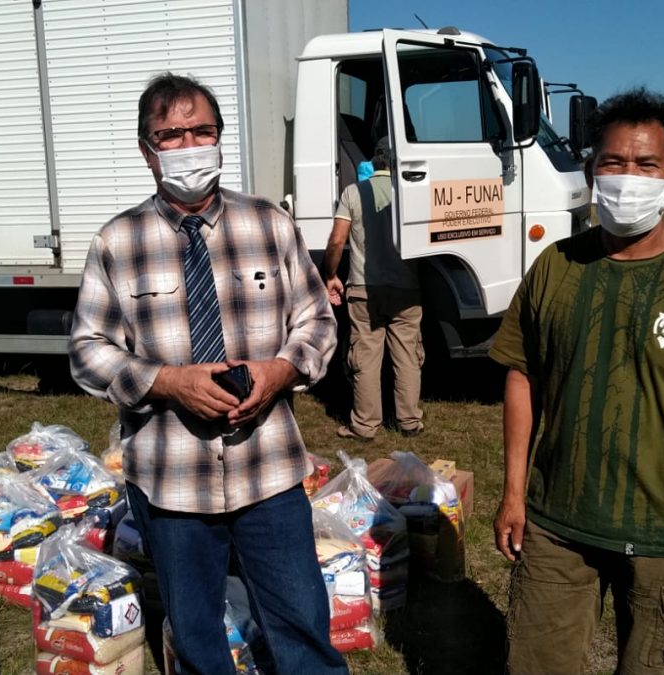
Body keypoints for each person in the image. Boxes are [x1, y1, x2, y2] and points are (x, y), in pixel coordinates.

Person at [489, 88, 664, 674]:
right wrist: (514, 492)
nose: (627, 178)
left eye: (646, 165)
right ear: (592, 168)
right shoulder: (557, 267)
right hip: (555, 526)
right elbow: (523, 374)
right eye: (612, 162)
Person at [69, 72, 346, 674]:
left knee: (302, 626)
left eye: (202, 131)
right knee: (195, 638)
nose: (189, 145)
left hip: (268, 472)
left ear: (221, 139)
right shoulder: (117, 242)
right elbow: (88, 350)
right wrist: (168, 382)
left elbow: (318, 322)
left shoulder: (269, 224)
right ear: (147, 152)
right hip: (172, 482)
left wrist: (279, 372)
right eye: (169, 135)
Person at [323, 136, 424, 441]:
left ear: (375, 161)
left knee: (365, 358)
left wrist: (330, 275)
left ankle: (365, 426)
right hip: (406, 288)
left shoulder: (353, 192)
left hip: (364, 289)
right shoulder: (410, 194)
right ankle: (409, 421)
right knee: (407, 356)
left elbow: (338, 240)